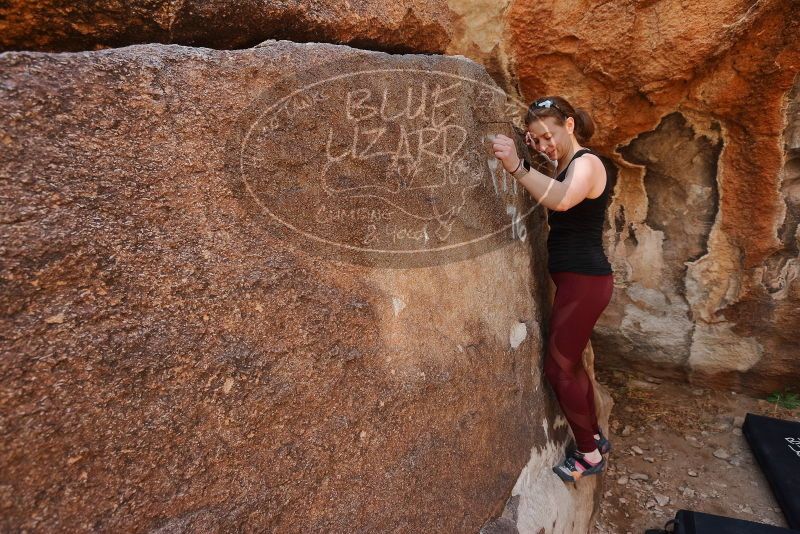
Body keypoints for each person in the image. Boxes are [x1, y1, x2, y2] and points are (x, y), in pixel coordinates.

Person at [491, 95, 614, 483]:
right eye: (535, 140)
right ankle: (594, 435)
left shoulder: (589, 163)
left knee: (557, 368)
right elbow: (554, 181)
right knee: (571, 363)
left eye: (548, 136)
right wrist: (537, 153)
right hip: (576, 281)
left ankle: (589, 454)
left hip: (586, 281)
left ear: (570, 125)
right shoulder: (564, 164)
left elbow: (561, 200)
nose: (545, 146)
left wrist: (516, 164)